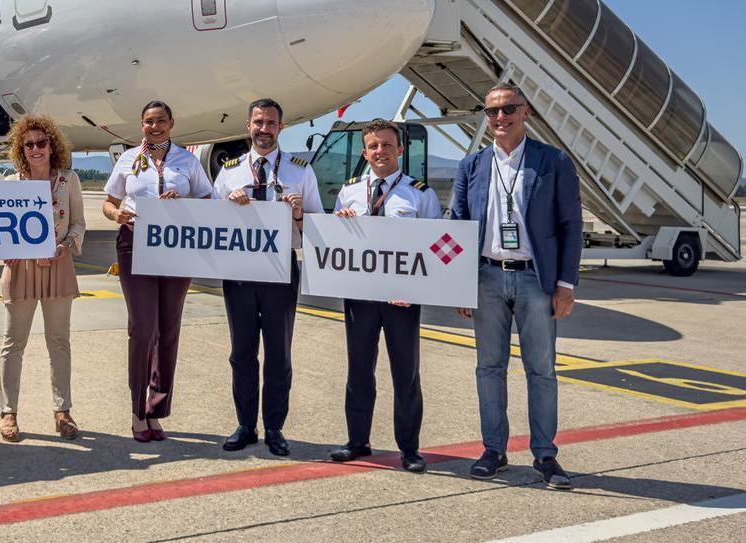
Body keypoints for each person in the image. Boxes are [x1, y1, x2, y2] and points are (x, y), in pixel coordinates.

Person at [452, 84, 582, 489]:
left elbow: (570, 226)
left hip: (534, 279)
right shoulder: (471, 165)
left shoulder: (553, 161)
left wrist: (565, 284)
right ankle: (494, 450)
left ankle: (545, 455)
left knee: (541, 370)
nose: (500, 118)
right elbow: (459, 222)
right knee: (489, 368)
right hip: (487, 276)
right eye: (492, 112)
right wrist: (459, 284)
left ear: (526, 112)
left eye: (508, 109)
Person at [329, 119, 441, 473]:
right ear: (365, 152)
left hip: (401, 299)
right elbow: (336, 243)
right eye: (374, 146)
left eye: (387, 145)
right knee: (359, 370)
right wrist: (342, 221)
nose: (381, 152)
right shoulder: (349, 192)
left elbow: (434, 248)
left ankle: (409, 448)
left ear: (400, 150)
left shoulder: (420, 194)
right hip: (360, 298)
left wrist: (417, 289)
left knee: (405, 374)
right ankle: (357, 441)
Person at [213, 98, 322, 457]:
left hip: (280, 271)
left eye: (271, 123)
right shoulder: (229, 171)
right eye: (258, 122)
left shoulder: (300, 171)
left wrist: (298, 214)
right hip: (240, 272)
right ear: (248, 126)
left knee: (278, 353)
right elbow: (209, 223)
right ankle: (246, 424)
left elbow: (319, 229)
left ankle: (275, 427)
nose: (264, 129)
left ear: (281, 127)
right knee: (242, 352)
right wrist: (227, 204)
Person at [103, 101, 214, 442]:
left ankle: (157, 409)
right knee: (143, 327)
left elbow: (209, 201)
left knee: (168, 329)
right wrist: (116, 215)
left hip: (176, 246)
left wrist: (183, 205)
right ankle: (138, 410)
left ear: (172, 123)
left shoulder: (187, 161)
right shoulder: (128, 159)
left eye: (161, 121)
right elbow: (109, 202)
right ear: (142, 126)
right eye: (149, 121)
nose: (155, 126)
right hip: (135, 245)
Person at [0, 114, 86, 442]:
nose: (36, 149)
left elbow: (78, 223)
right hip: (21, 268)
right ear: (22, 149)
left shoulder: (69, 180)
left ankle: (62, 411)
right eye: (29, 144)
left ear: (53, 146)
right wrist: (5, 248)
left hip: (58, 266)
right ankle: (8, 413)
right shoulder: (11, 185)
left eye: (41, 143)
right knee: (13, 343)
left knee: (59, 342)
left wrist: (65, 246)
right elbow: (2, 230)